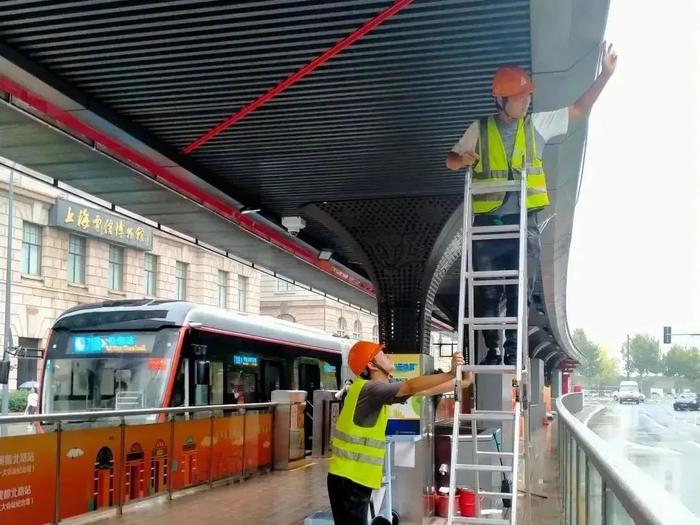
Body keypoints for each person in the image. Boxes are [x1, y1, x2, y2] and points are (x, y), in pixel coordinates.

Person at [445, 43, 618, 366]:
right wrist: (462, 158)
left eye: (528, 96)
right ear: (502, 100)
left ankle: (511, 350)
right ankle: (493, 350)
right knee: (487, 291)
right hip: (489, 225)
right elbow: (450, 161)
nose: (527, 101)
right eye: (521, 97)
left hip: (524, 223)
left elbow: (579, 109)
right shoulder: (479, 129)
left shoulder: (537, 124)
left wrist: (604, 76)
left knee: (519, 291)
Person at [327, 341, 470, 525]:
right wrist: (450, 373)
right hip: (348, 480)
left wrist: (461, 382)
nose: (389, 357)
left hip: (352, 478)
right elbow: (411, 386)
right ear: (371, 365)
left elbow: (424, 389)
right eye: (383, 355)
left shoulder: (375, 389)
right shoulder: (370, 389)